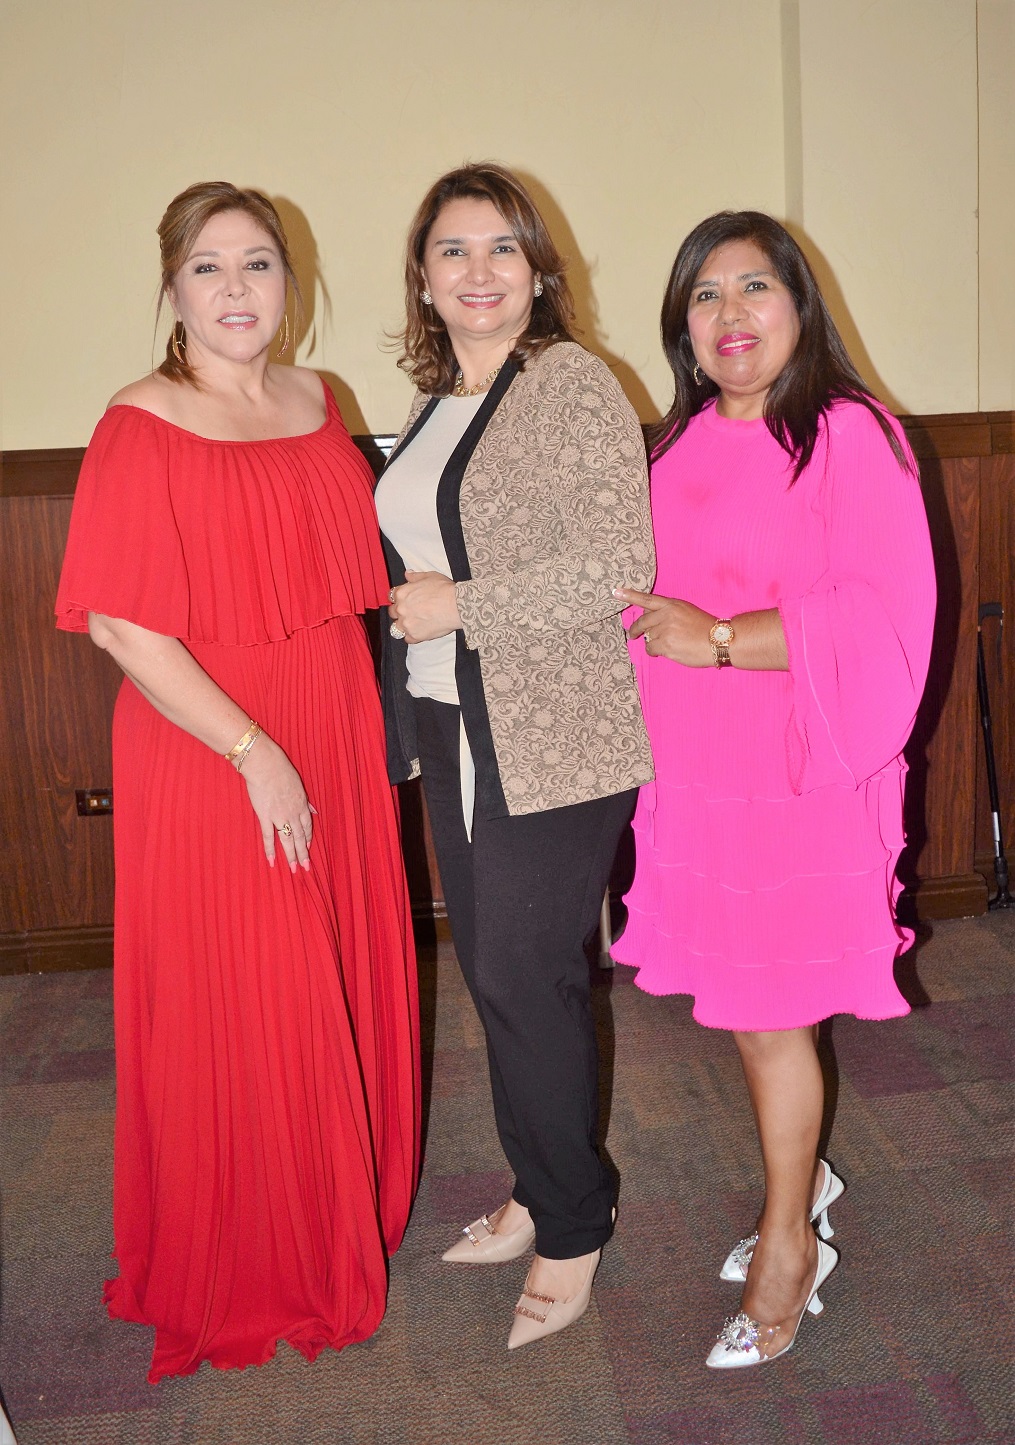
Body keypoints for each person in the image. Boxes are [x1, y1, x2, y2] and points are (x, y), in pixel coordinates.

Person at [55, 182, 420, 1382]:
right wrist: (253, 751)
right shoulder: (140, 418)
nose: (234, 289)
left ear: (288, 282)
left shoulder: (324, 402)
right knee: (249, 985)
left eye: (256, 264)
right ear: (171, 288)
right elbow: (120, 620)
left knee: (334, 970)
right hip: (211, 740)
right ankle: (260, 1248)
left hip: (328, 715)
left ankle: (331, 1212)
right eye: (207, 268)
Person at [614, 210, 935, 1369]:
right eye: (705, 295)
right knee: (744, 1010)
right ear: (681, 326)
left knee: (767, 1014)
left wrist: (716, 638)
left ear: (800, 306)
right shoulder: (678, 440)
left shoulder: (851, 433)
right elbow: (638, 588)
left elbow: (882, 617)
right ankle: (802, 1183)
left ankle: (791, 1241)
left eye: (755, 287)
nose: (731, 314)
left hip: (799, 761)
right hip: (696, 771)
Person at [375, 163, 654, 1350]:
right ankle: (541, 1184)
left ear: (538, 271)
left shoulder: (573, 384)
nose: (477, 272)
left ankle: (573, 1226)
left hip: (551, 732)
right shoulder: (436, 402)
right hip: (455, 722)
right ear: (424, 280)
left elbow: (616, 564)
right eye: (453, 251)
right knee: (495, 973)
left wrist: (463, 607)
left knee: (522, 975)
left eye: (501, 250)